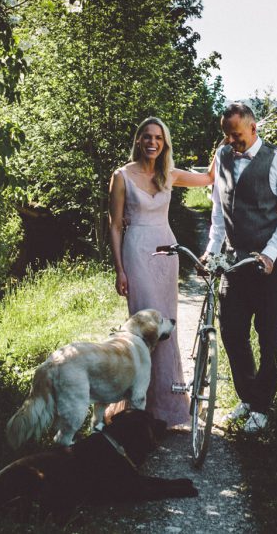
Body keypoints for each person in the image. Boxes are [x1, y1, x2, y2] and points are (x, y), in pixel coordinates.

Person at [107, 117, 215, 428]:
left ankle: (166, 409)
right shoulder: (122, 176)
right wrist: (119, 269)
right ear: (138, 140)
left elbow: (208, 178)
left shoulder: (168, 175)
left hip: (167, 252)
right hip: (137, 252)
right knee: (144, 329)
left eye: (158, 138)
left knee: (167, 328)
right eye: (147, 137)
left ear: (164, 143)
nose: (152, 142)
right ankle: (139, 411)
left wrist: (223, 147)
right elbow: (114, 225)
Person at [203, 102, 277, 434]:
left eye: (237, 135)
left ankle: (263, 407)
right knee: (232, 331)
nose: (232, 142)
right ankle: (247, 396)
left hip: (272, 265)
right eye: (227, 136)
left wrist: (271, 253)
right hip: (234, 262)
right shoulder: (222, 157)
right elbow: (220, 213)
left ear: (253, 127)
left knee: (269, 333)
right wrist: (211, 252)